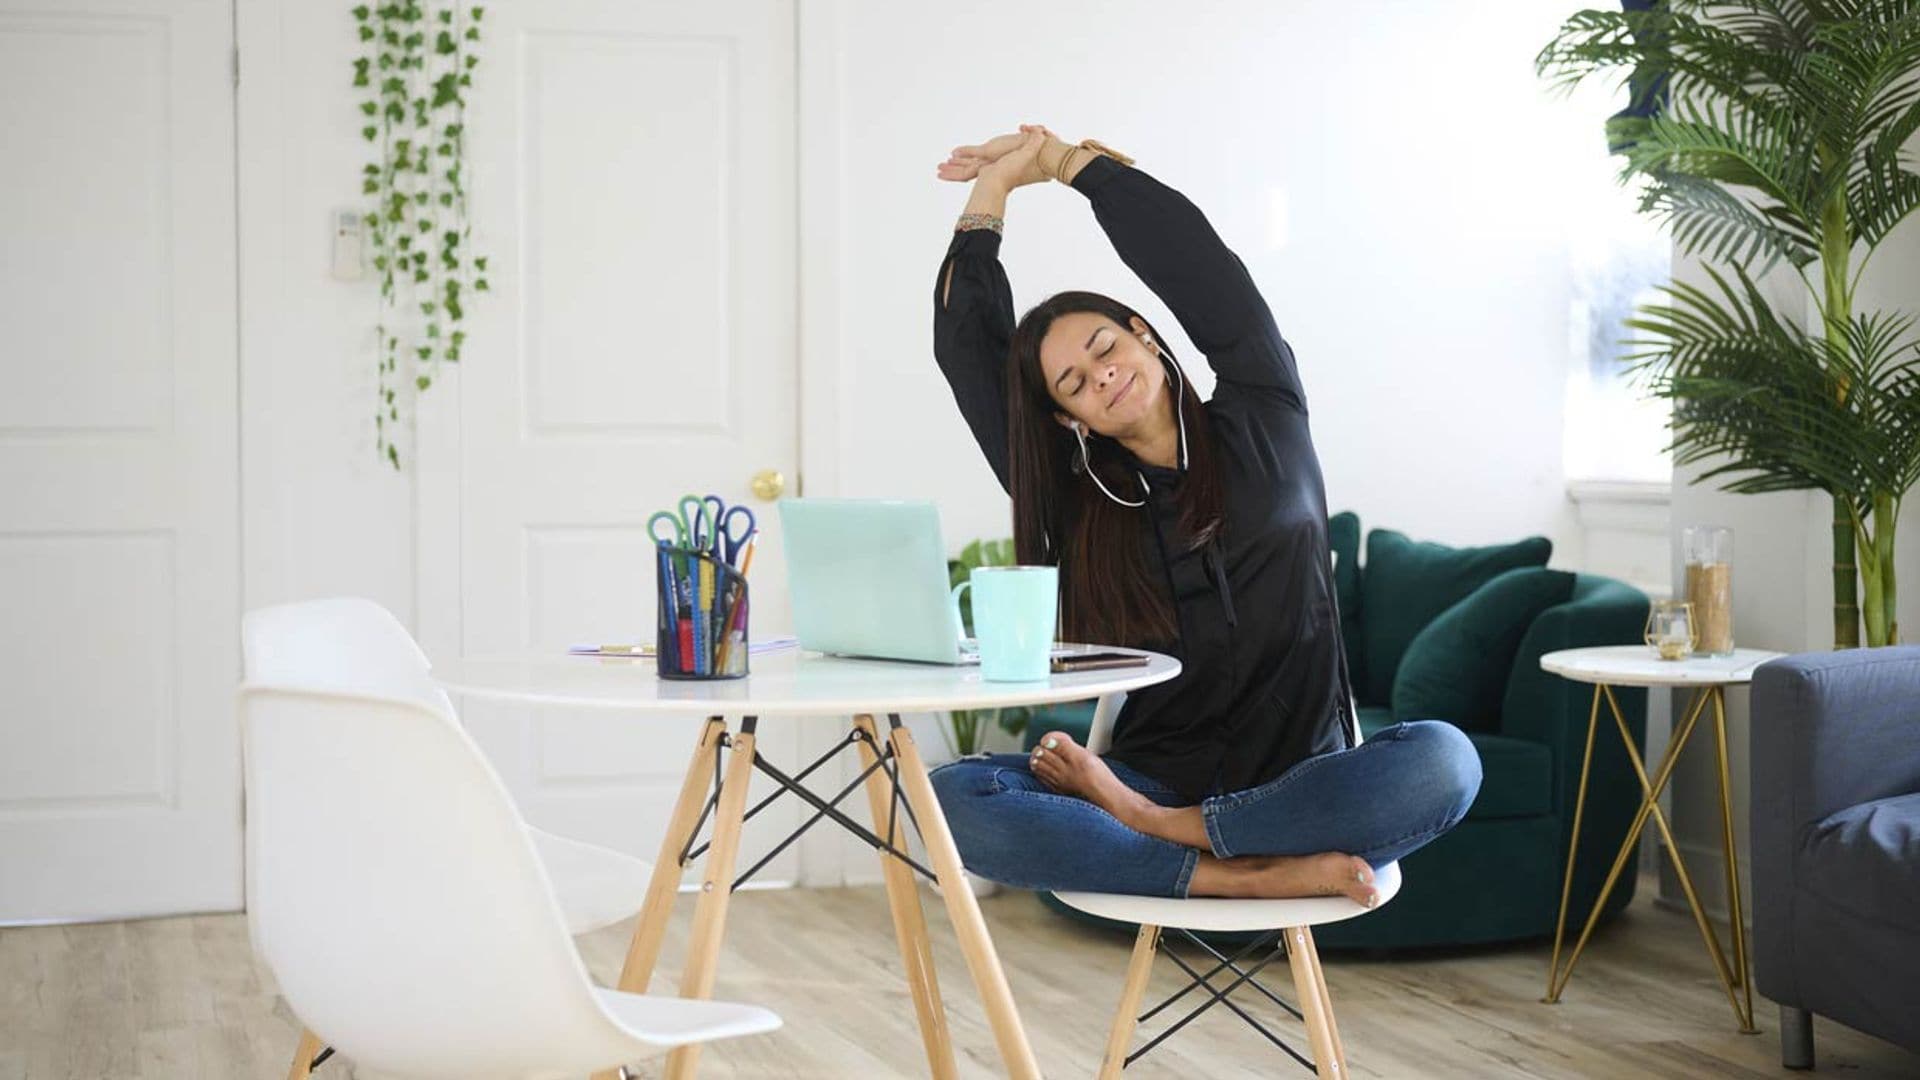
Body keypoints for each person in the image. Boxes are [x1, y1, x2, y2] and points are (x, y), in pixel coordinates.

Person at [927, 126, 1482, 905]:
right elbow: (966, 347)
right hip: (1154, 769)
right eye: (1076, 383)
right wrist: (989, 195)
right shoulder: (1073, 497)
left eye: (1105, 346)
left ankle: (1171, 834)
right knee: (949, 798)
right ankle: (1236, 871)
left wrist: (1063, 165)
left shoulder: (1267, 411)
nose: (1103, 376)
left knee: (1444, 761)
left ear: (1147, 337)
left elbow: (1198, 265)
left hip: (1302, 778)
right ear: (1067, 419)